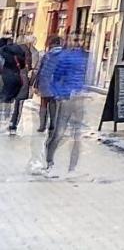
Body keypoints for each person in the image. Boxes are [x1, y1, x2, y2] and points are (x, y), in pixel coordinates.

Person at [41, 33, 88, 175]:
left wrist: (84, 91)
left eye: (80, 39)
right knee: (60, 132)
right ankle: (49, 161)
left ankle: (72, 168)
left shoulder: (86, 57)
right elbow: (55, 77)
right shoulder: (64, 56)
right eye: (75, 40)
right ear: (69, 41)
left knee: (77, 135)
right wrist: (60, 94)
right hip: (66, 98)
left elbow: (87, 76)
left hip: (79, 98)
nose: (78, 43)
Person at [34, 36, 65, 133]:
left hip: (44, 81)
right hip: (56, 82)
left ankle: (42, 125)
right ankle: (52, 123)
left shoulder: (46, 55)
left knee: (43, 102)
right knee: (53, 102)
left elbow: (39, 69)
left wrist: (36, 82)